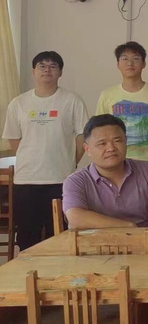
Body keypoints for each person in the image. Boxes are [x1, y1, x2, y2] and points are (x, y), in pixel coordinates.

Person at [2, 51, 89, 250]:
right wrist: (32, 156)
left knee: (59, 235)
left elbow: (82, 135)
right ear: (33, 71)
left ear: (60, 72)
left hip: (60, 179)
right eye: (42, 66)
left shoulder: (72, 100)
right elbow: (14, 139)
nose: (47, 70)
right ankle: (27, 269)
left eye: (53, 66)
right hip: (26, 180)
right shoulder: (18, 103)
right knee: (27, 236)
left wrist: (71, 161)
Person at [62, 115, 148, 229]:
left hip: (142, 245)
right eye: (102, 144)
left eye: (117, 141)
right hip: (95, 246)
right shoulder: (76, 181)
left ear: (126, 141)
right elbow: (75, 217)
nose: (111, 148)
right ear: (87, 149)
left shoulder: (147, 169)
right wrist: (127, 227)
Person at [96, 41, 148, 164]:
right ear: (118, 64)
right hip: (115, 164)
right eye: (124, 59)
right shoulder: (107, 95)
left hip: (147, 164)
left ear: (144, 64)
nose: (130, 63)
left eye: (135, 58)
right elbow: (100, 130)